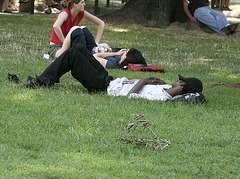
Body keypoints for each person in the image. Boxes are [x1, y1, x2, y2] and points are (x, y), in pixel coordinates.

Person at [24, 43, 203, 102]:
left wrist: (143, 81)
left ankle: (42, 81)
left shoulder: (162, 96)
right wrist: (152, 80)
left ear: (182, 85)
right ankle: (45, 78)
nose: (176, 81)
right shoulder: (163, 89)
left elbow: (131, 97)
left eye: (179, 81)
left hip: (103, 87)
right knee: (79, 48)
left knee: (72, 54)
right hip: (110, 80)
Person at [55, 26, 147, 69]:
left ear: (125, 57)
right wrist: (109, 50)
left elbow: (94, 57)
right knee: (84, 29)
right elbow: (141, 63)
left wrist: (114, 53)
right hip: (93, 50)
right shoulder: (120, 58)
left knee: (76, 31)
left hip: (86, 55)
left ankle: (60, 55)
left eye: (126, 52)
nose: (124, 51)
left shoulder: (112, 65)